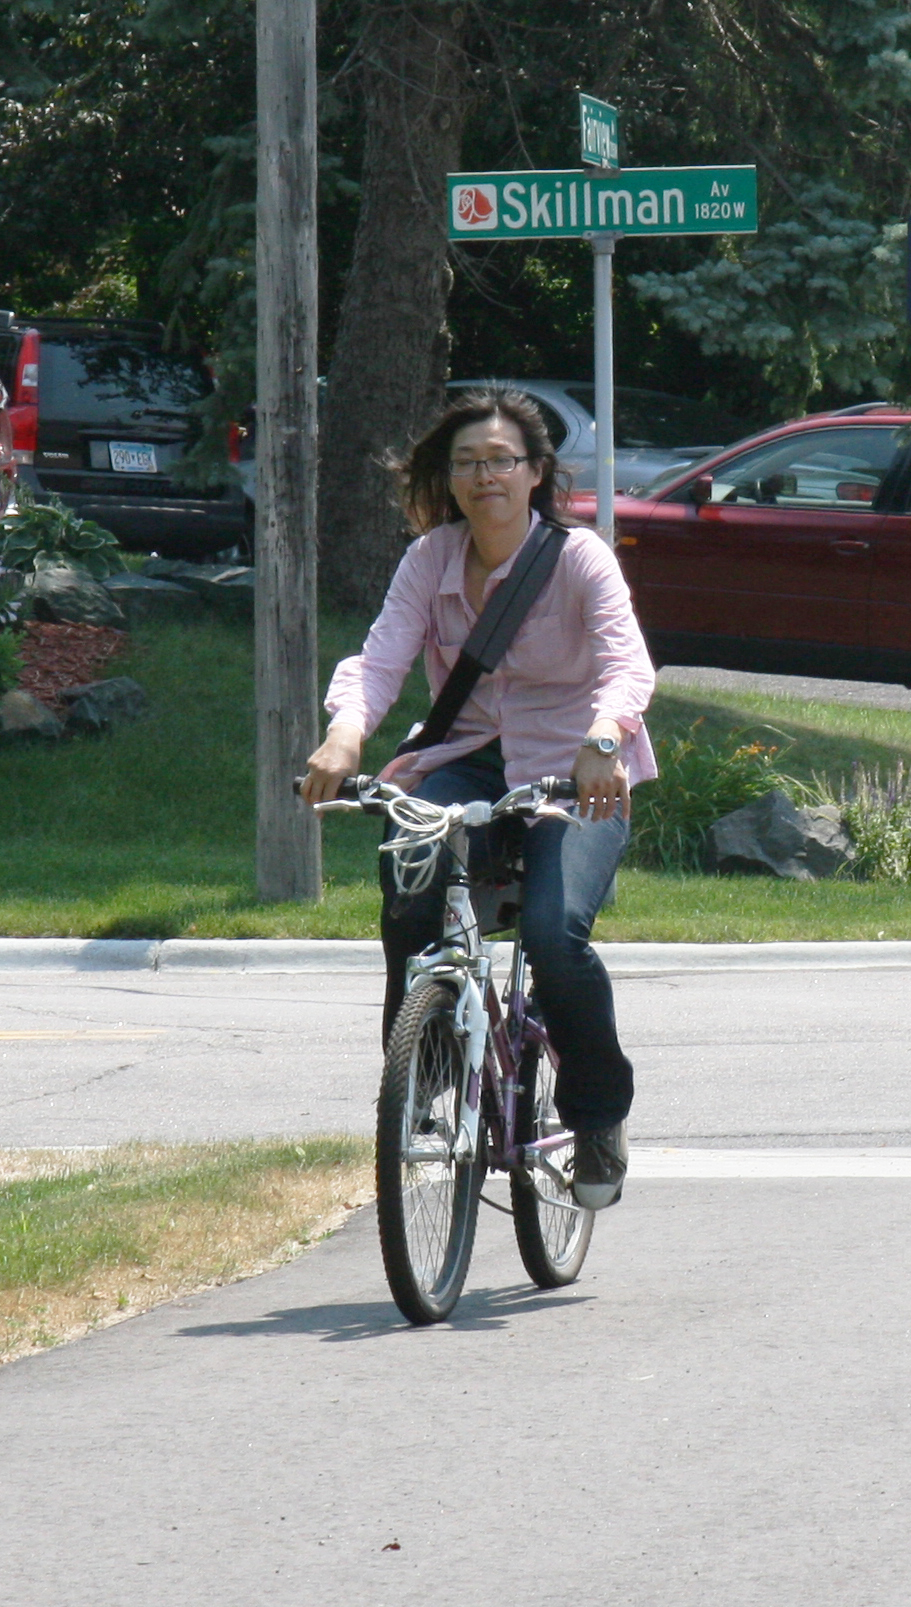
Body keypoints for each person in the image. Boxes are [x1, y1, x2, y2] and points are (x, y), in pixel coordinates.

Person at [301, 386, 656, 1210]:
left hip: (577, 773)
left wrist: (603, 739)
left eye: (499, 460)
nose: (482, 476)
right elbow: (381, 655)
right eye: (466, 462)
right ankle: (421, 1071)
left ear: (534, 473)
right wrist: (345, 733)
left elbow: (625, 662)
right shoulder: (430, 558)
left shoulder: (578, 558)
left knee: (551, 934)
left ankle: (597, 1114)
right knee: (410, 886)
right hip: (464, 757)